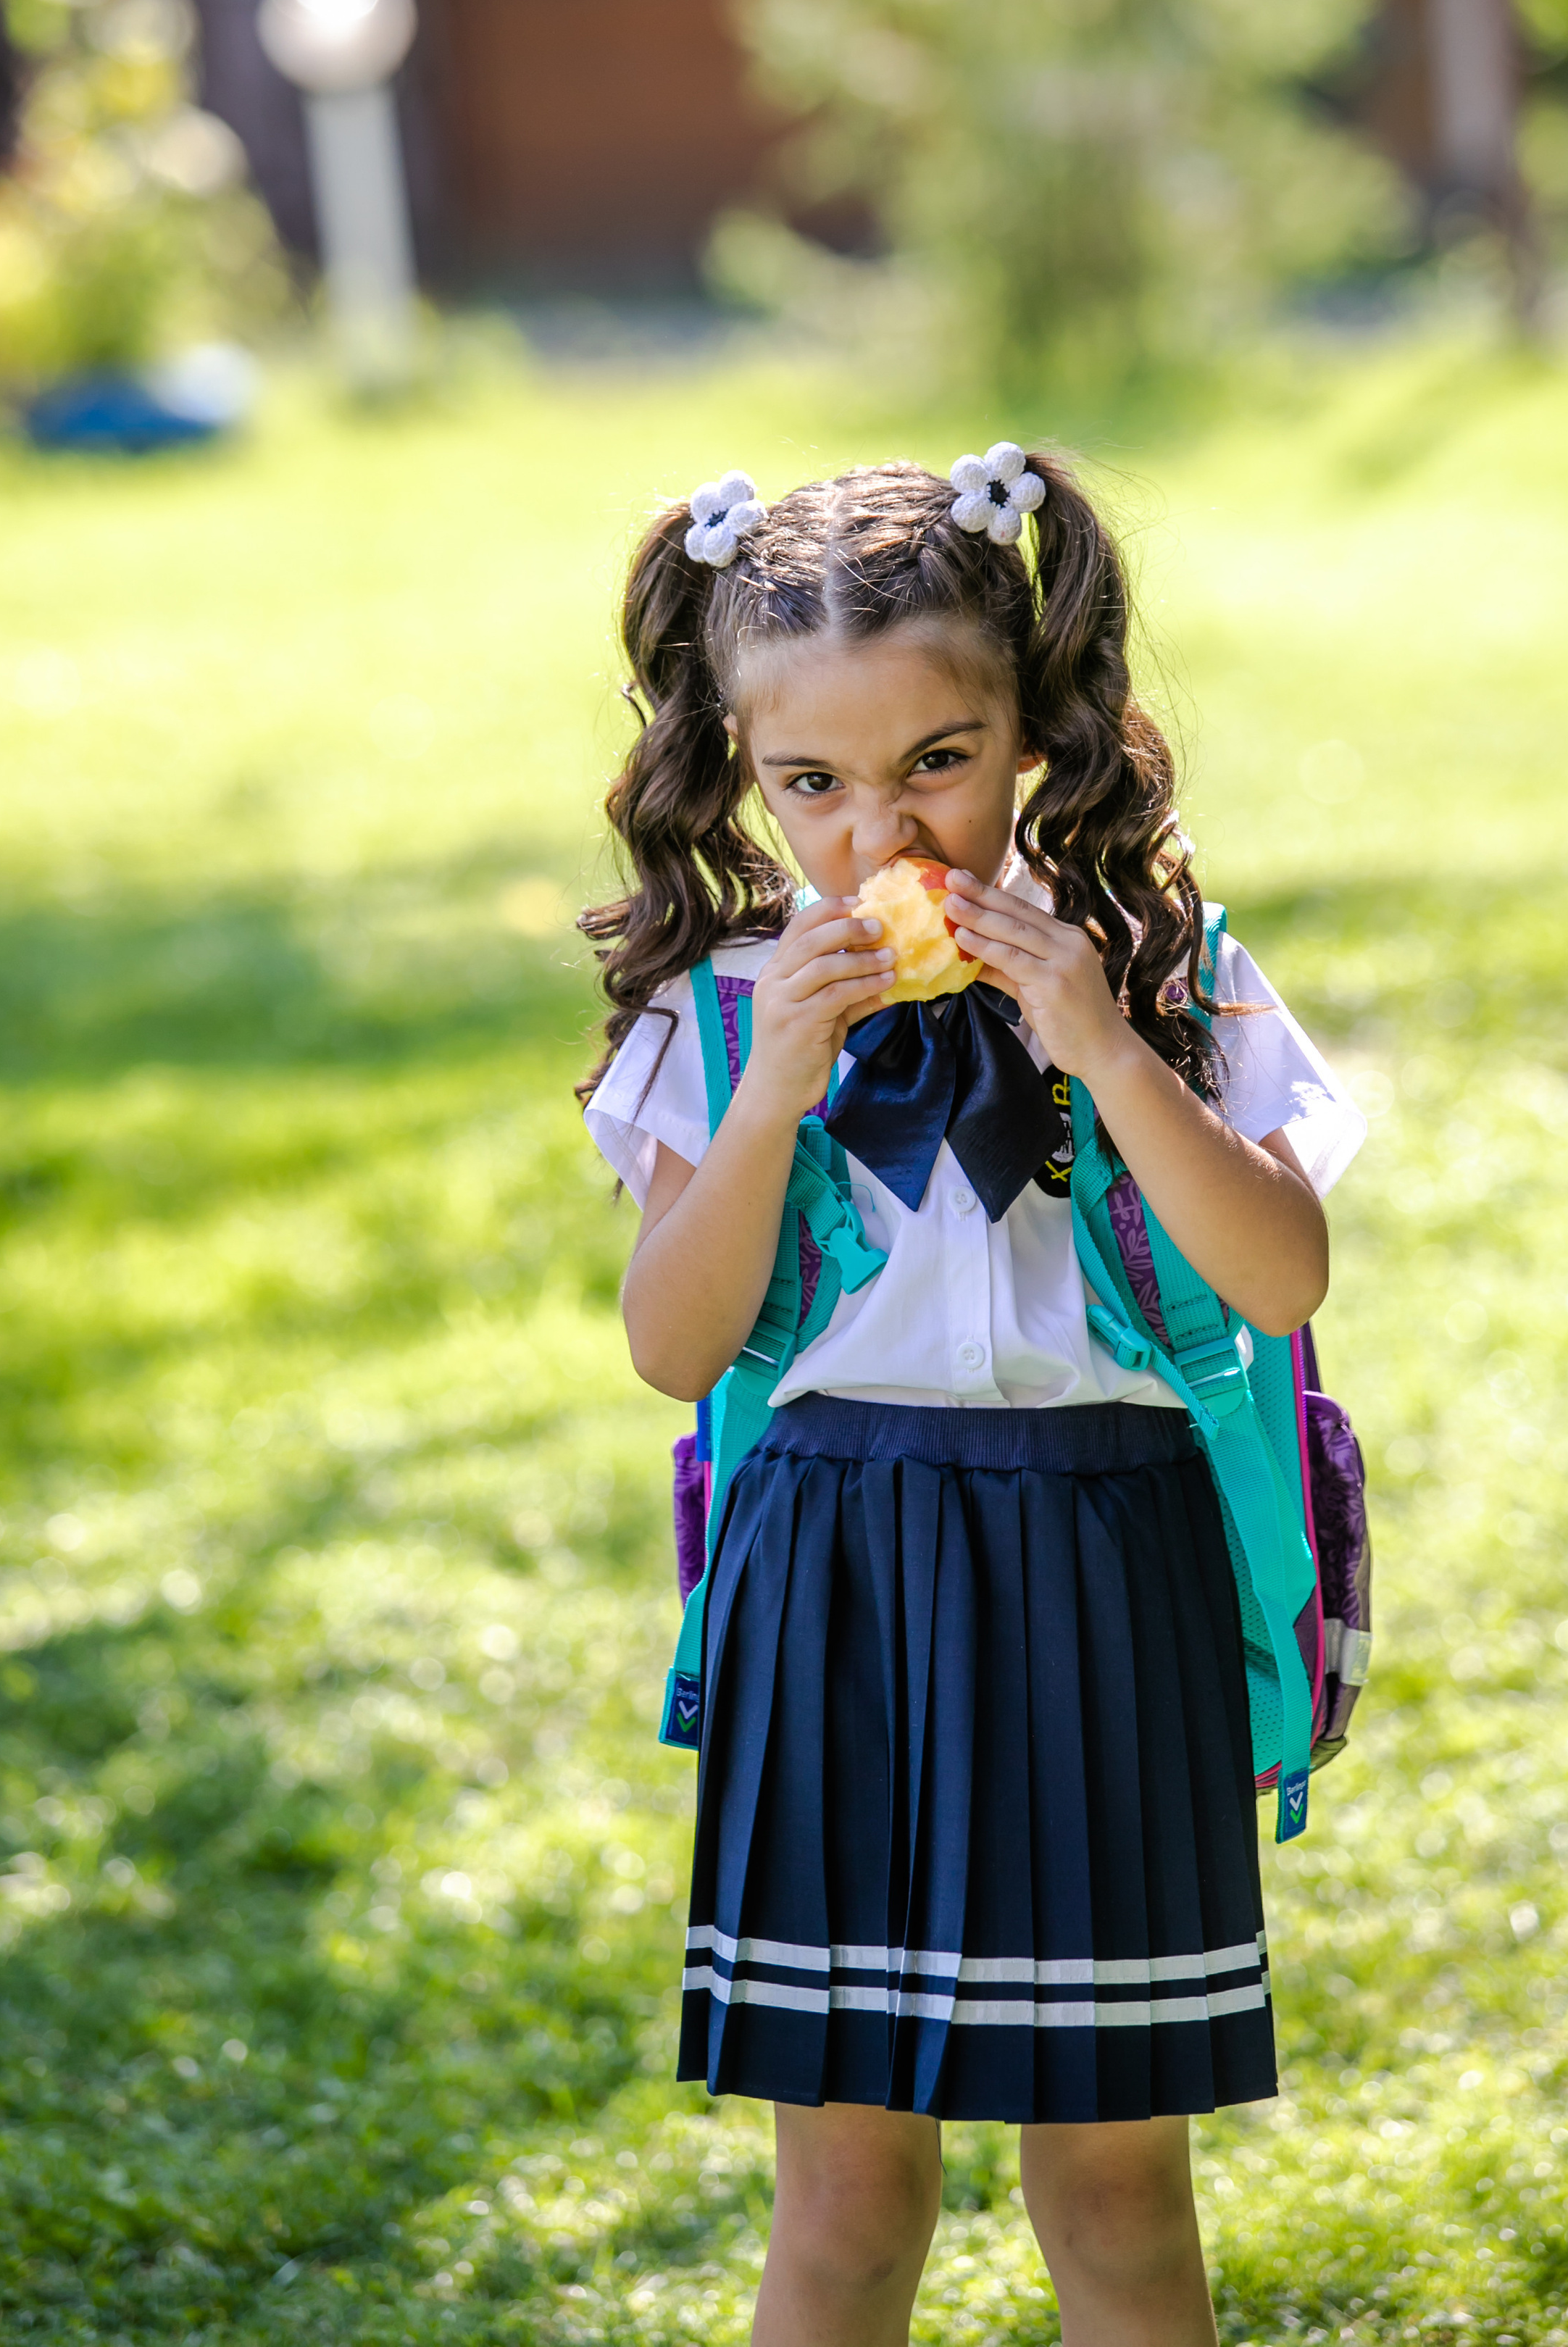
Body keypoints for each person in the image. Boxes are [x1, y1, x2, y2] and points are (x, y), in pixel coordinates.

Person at [580, 449, 1364, 2347]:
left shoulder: (1168, 968)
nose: (879, 832)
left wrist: (1099, 1041)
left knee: (1114, 2191)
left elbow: (1278, 1279)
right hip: (833, 1569)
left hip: (1109, 1567)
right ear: (745, 773)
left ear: (1037, 733)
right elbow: (676, 1350)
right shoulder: (718, 1003)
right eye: (813, 785)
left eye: (937, 760)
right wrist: (773, 1086)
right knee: (846, 2197)